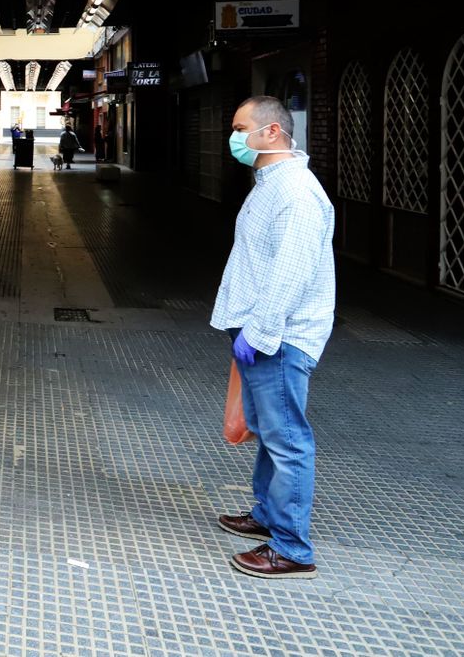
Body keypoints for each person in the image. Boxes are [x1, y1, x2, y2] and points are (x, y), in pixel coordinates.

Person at [210, 95, 335, 580]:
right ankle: (266, 514)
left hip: (279, 337)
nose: (234, 137)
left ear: (272, 133)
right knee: (268, 431)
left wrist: (259, 333)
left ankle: (292, 549)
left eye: (241, 128)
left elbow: (291, 273)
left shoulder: (296, 194)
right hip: (261, 331)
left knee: (287, 440)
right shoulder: (271, 184)